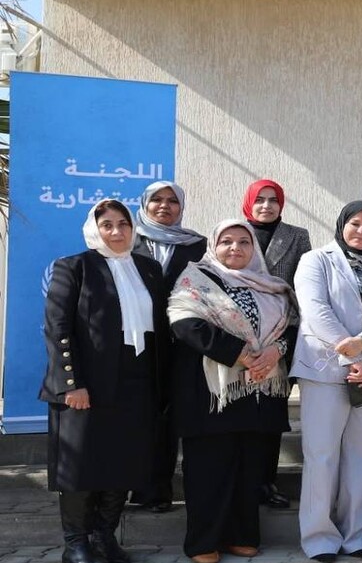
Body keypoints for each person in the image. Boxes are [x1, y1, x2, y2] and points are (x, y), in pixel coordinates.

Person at [41, 200, 169, 563]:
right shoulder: (74, 267)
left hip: (137, 380)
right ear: (94, 228)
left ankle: (103, 537)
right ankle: (75, 544)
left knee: (125, 462)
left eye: (123, 223)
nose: (116, 231)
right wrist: (70, 383)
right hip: (88, 383)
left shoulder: (149, 269)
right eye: (107, 224)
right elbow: (57, 328)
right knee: (81, 466)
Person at [166, 220, 298, 563]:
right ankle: (203, 542)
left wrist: (276, 351)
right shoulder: (195, 280)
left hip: (259, 390)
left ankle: (242, 534)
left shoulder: (272, 287)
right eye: (226, 241)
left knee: (249, 468)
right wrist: (240, 354)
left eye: (243, 242)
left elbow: (292, 328)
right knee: (208, 471)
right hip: (212, 394)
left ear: (254, 248)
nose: (235, 248)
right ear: (214, 246)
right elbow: (185, 323)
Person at [292, 201, 362, 562]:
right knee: (322, 455)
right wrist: (352, 356)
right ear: (341, 225)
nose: (361, 232)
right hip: (325, 371)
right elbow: (315, 311)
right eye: (355, 224)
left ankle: (357, 534)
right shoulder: (316, 260)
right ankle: (319, 538)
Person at [130, 180, 207, 512]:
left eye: (172, 201)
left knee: (171, 417)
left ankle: (159, 491)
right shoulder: (127, 240)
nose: (164, 206)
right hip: (138, 343)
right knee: (139, 416)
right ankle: (132, 488)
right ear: (145, 204)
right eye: (157, 200)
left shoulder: (198, 245)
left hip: (181, 343)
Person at [241, 178, 312, 509]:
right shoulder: (234, 233)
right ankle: (241, 481)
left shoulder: (297, 236)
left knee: (271, 414)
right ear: (249, 202)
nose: (266, 206)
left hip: (281, 338)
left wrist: (287, 333)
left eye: (273, 200)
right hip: (240, 340)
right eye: (260, 199)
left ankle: (265, 483)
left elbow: (304, 287)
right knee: (241, 413)